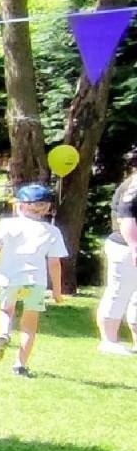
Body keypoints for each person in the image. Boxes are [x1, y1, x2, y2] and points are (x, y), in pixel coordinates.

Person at [0, 184, 66, 377]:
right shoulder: (52, 232)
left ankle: (4, 333)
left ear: (21, 206)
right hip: (35, 282)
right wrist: (57, 290)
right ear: (47, 207)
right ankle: (20, 365)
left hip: (9, 278)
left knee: (6, 310)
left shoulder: (8, 224)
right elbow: (55, 263)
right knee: (29, 324)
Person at [96, 147, 137, 355]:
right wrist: (135, 247)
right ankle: (109, 341)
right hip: (125, 246)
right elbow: (126, 218)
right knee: (119, 292)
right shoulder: (134, 185)